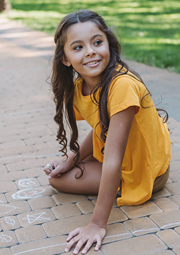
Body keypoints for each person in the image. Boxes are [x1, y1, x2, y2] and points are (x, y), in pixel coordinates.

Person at [44, 10, 171, 254]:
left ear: (109, 46)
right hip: (131, 155)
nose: (90, 51)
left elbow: (112, 159)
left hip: (147, 171)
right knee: (63, 171)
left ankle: (121, 185)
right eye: (78, 47)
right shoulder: (81, 86)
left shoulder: (121, 85)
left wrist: (97, 224)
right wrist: (70, 159)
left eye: (97, 42)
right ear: (66, 59)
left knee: (57, 181)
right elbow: (103, 129)